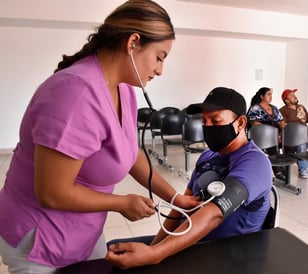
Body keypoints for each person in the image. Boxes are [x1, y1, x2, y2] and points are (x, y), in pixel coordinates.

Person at [0, 1, 199, 273]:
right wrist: (121, 203)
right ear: (133, 43)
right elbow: (52, 193)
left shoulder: (123, 89)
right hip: (40, 235)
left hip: (82, 228)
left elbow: (129, 153)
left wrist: (174, 197)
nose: (160, 70)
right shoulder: (76, 93)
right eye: (160, 57)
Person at [105, 87, 273, 269]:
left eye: (215, 121)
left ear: (240, 123)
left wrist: (155, 254)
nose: (208, 127)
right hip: (188, 243)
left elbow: (214, 214)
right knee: (111, 252)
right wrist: (155, 247)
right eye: (204, 121)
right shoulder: (208, 156)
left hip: (224, 256)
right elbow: (180, 208)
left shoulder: (255, 163)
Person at [247, 87, 287, 180]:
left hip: (275, 134)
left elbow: (281, 122)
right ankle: (277, 171)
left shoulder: (274, 108)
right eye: (268, 94)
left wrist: (282, 132)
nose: (271, 97)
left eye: (271, 95)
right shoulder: (255, 108)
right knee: (272, 146)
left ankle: (281, 168)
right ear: (261, 96)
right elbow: (254, 123)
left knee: (287, 143)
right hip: (261, 134)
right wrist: (271, 133)